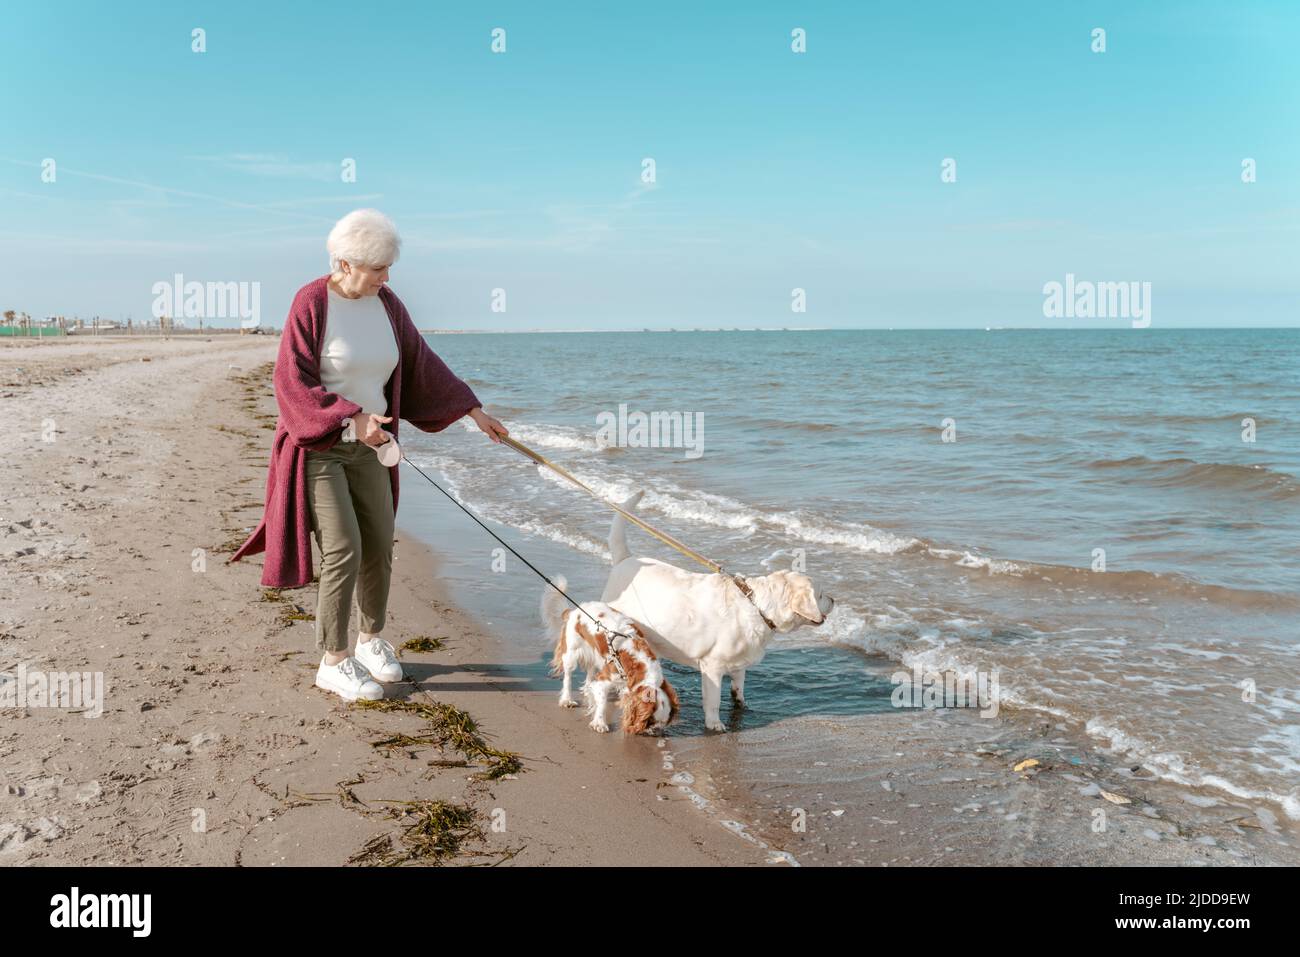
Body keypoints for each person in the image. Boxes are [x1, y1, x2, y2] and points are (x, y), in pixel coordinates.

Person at [231, 208, 508, 701]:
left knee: (379, 545)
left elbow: (422, 360)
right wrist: (347, 416)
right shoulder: (312, 301)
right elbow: (290, 381)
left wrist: (472, 410)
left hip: (373, 449)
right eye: (378, 267)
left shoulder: (387, 303)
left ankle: (370, 640)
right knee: (343, 549)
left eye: (388, 267)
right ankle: (333, 661)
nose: (386, 276)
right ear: (344, 263)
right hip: (320, 449)